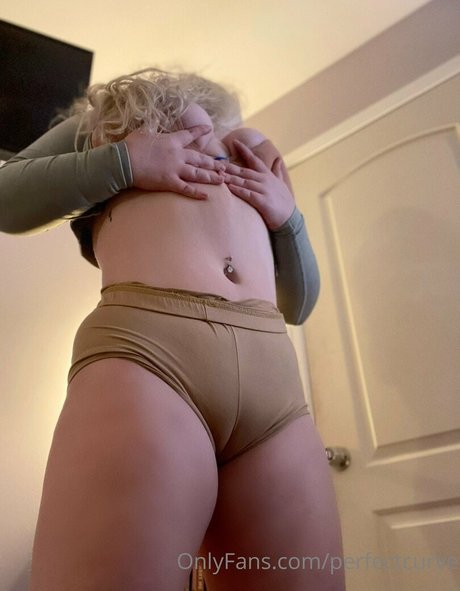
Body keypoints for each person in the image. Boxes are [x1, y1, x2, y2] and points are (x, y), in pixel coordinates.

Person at [0, 68, 345, 591]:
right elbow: (6, 200)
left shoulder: (250, 149)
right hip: (151, 356)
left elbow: (299, 304)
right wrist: (127, 160)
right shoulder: (111, 121)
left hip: (274, 382)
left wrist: (287, 218)